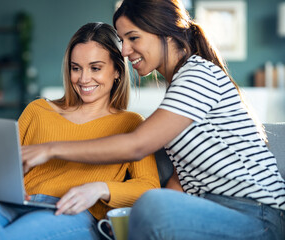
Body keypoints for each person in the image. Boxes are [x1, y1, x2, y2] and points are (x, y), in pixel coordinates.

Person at [21, 0, 285, 239]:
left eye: (133, 38)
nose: (125, 51)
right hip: (211, 209)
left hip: (258, 215)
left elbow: (137, 145)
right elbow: (182, 179)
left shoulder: (198, 74)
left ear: (166, 33)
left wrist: (50, 148)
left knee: (151, 204)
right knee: (146, 208)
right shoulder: (178, 86)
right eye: (122, 41)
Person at [0, 22, 161, 240]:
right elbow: (7, 165)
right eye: (76, 68)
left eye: (95, 68)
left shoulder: (131, 124)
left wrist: (100, 188)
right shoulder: (38, 110)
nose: (83, 79)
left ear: (117, 71)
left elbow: (149, 188)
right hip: (19, 204)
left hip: (72, 212)